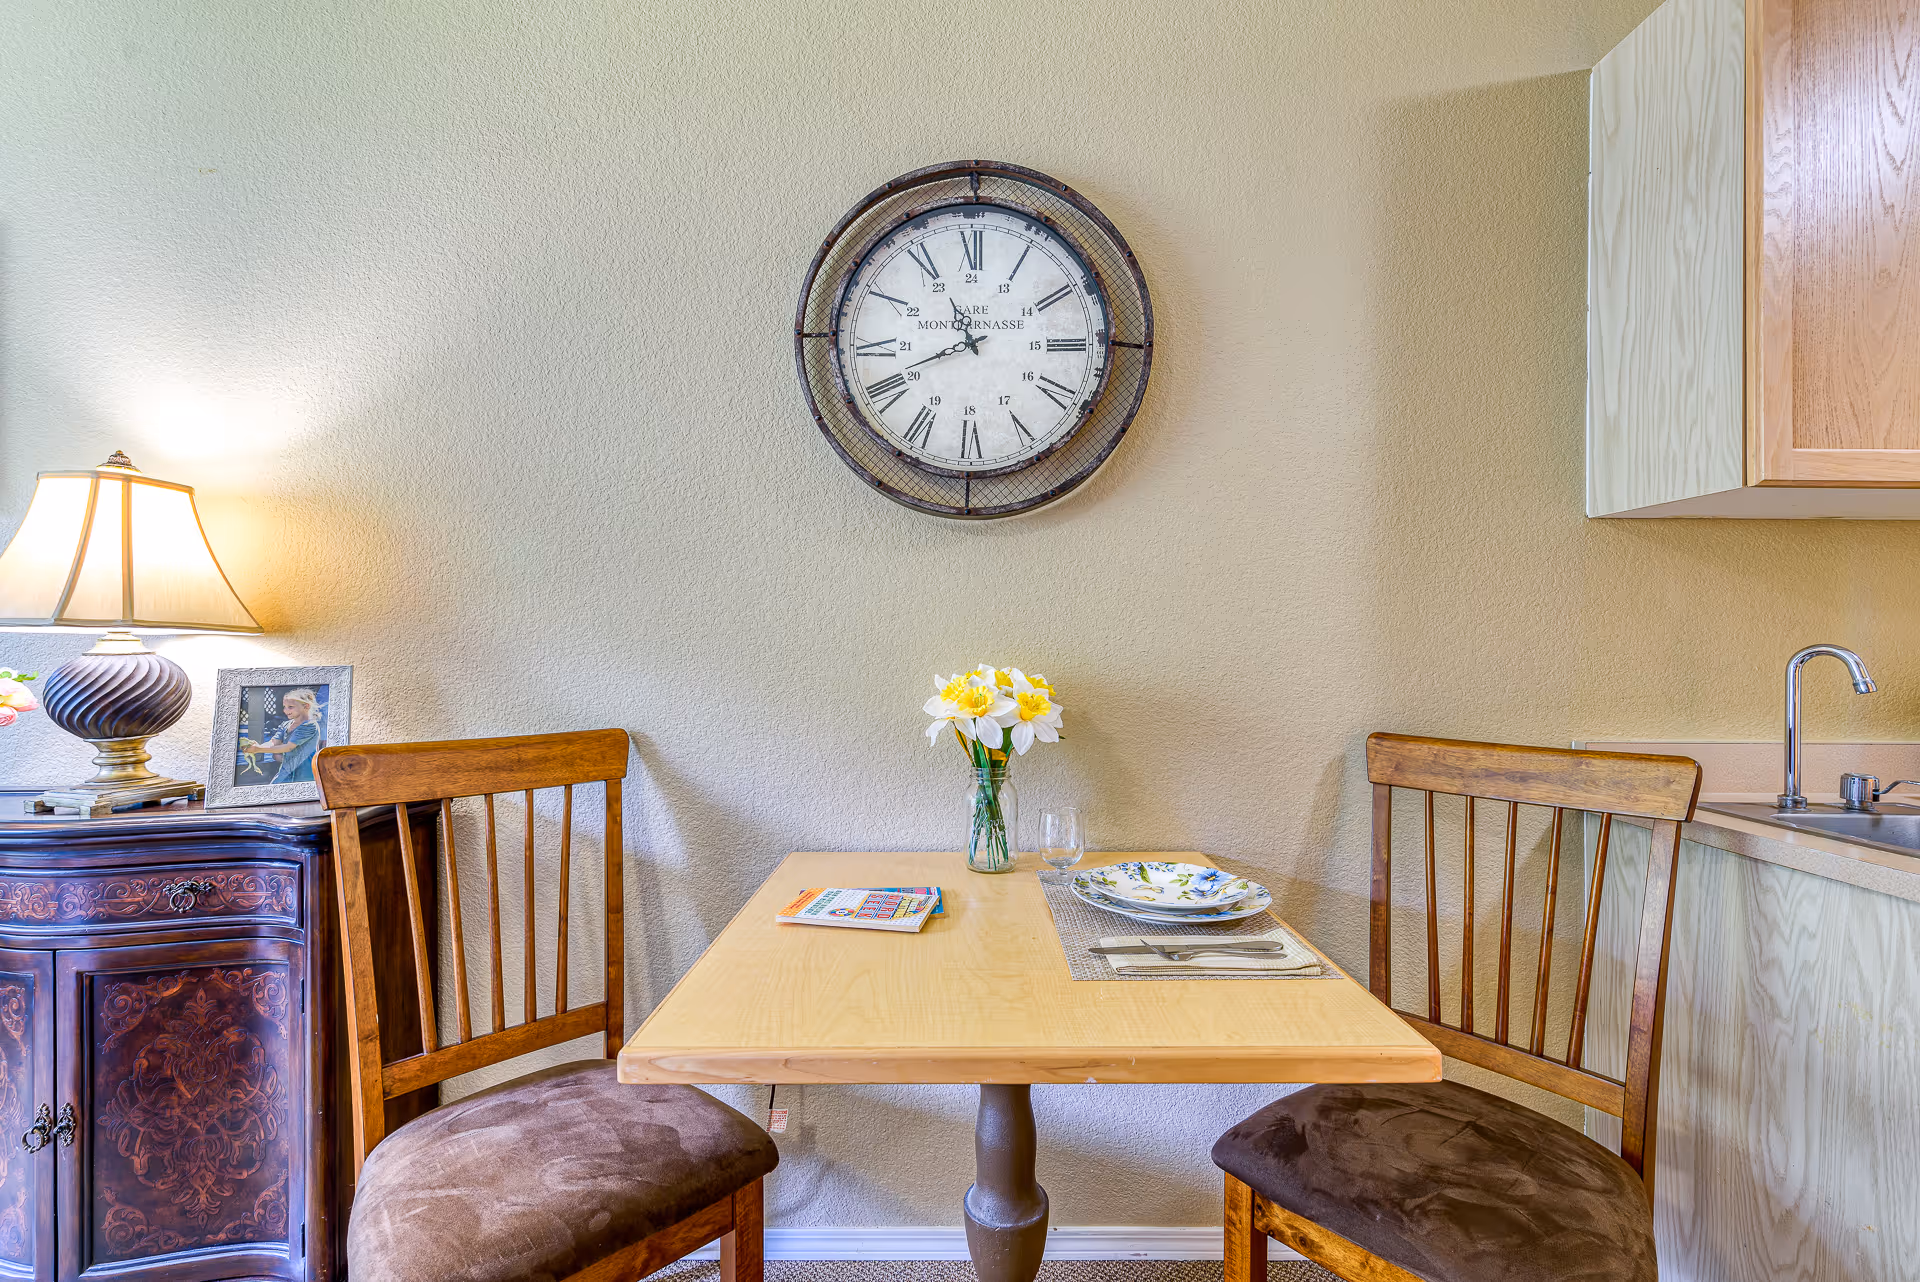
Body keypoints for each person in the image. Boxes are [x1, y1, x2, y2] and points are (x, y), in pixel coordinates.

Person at [246, 688, 325, 783]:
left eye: (290, 707)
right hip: (286, 773)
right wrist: (257, 746)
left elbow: (288, 747)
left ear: (306, 706)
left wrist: (258, 749)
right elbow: (274, 742)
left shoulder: (310, 725)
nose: (285, 710)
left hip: (305, 777)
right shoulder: (286, 725)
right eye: (284, 706)